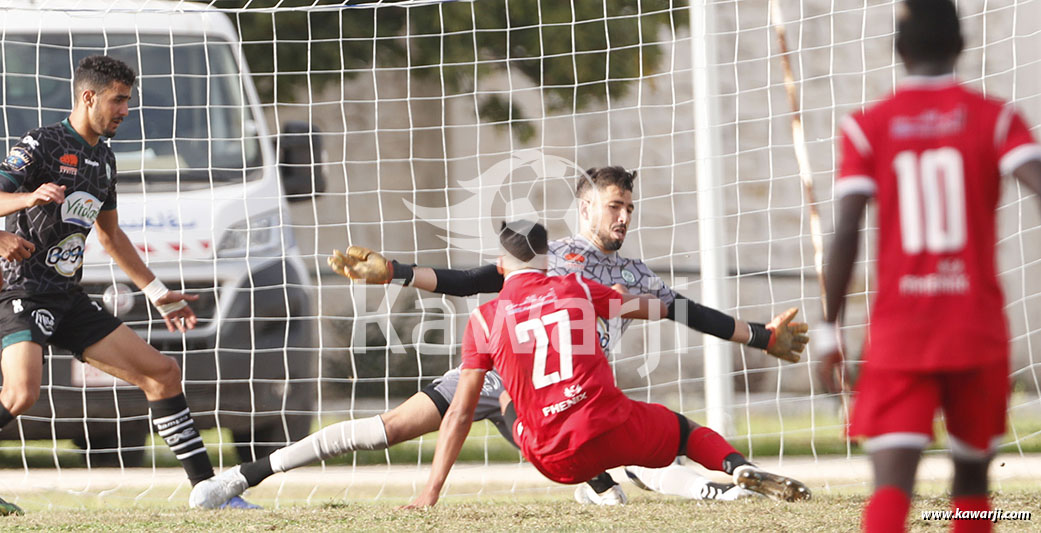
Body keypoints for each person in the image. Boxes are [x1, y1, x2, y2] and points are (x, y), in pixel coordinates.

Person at [191, 166, 810, 508]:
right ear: (586, 208)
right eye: (614, 205)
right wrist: (397, 272)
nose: (623, 217)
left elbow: (686, 311)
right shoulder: (550, 256)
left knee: (612, 453)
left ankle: (693, 489)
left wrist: (760, 335)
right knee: (383, 431)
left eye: (630, 209)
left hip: (550, 394)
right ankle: (241, 479)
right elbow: (471, 279)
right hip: (495, 376)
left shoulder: (632, 275)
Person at [817, 1, 1041, 531]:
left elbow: (846, 231)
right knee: (971, 487)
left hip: (901, 333)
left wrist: (829, 327)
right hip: (977, 328)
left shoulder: (867, 128)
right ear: (962, 46)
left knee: (891, 487)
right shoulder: (998, 119)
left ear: (898, 50)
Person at [0, 55, 258, 512]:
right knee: (21, 394)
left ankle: (210, 494)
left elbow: (110, 235)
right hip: (20, 291)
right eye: (118, 100)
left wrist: (157, 293)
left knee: (162, 374)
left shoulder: (103, 158)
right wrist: (19, 209)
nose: (125, 110)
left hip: (66, 297)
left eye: (128, 101)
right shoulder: (41, 142)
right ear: (88, 96)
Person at [404, 220, 810, 508]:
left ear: (500, 263)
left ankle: (600, 488)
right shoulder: (577, 285)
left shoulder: (483, 319)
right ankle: (737, 467)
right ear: (548, 258)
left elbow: (459, 413)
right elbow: (653, 309)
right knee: (685, 431)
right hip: (611, 426)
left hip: (554, 458)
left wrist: (431, 491)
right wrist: (615, 299)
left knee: (506, 396)